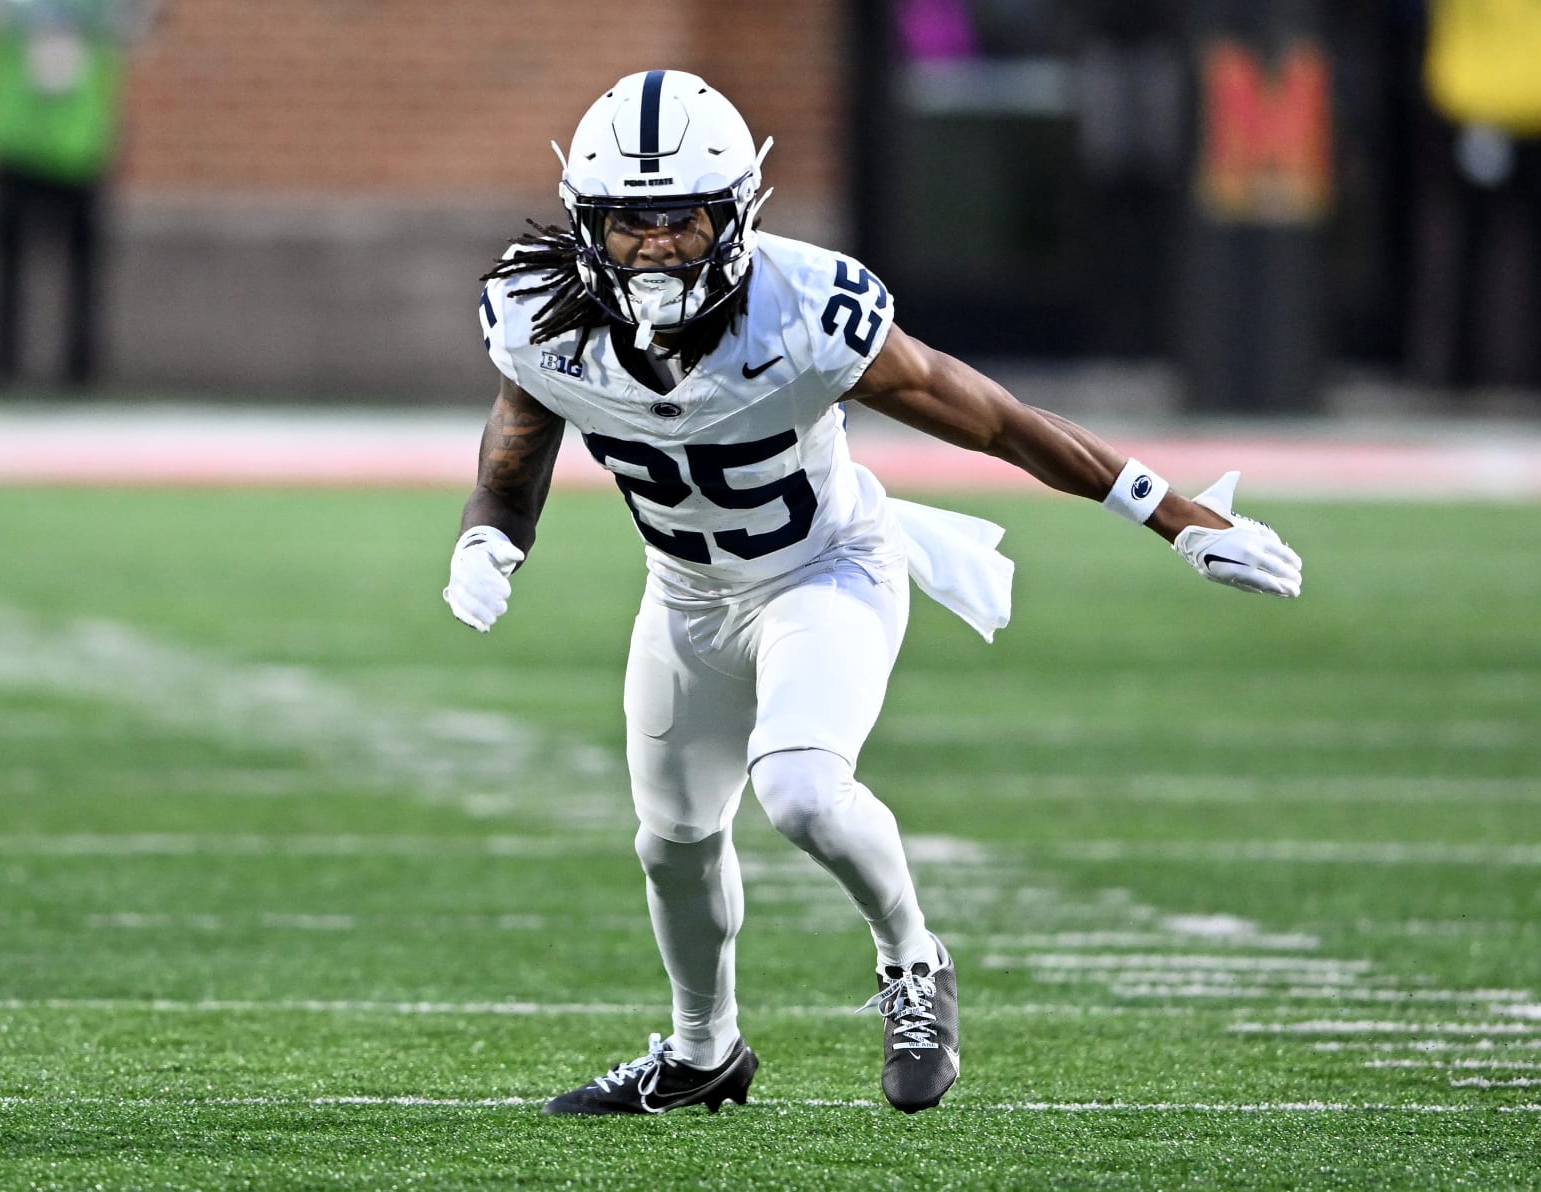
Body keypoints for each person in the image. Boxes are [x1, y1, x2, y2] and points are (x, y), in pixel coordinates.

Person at [445, 70, 1302, 1116]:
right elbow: (514, 451)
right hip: (687, 595)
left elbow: (992, 417)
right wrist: (491, 536)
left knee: (800, 790)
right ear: (589, 224)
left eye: (684, 218)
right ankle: (703, 1050)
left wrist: (1169, 514)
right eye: (633, 222)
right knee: (670, 842)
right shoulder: (543, 318)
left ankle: (913, 960)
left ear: (739, 213)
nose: (660, 244)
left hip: (826, 568)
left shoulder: (807, 311)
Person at [1397, 0, 1541, 393]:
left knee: (1501, 248)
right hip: (1506, 104)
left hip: (1501, 105)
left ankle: (1477, 375)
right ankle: (1525, 376)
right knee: (1518, 249)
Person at [0, 0, 162, 389]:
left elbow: (143, 27)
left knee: (82, 267)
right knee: (8, 265)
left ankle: (80, 370)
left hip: (79, 143)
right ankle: (2, 367)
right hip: (15, 138)